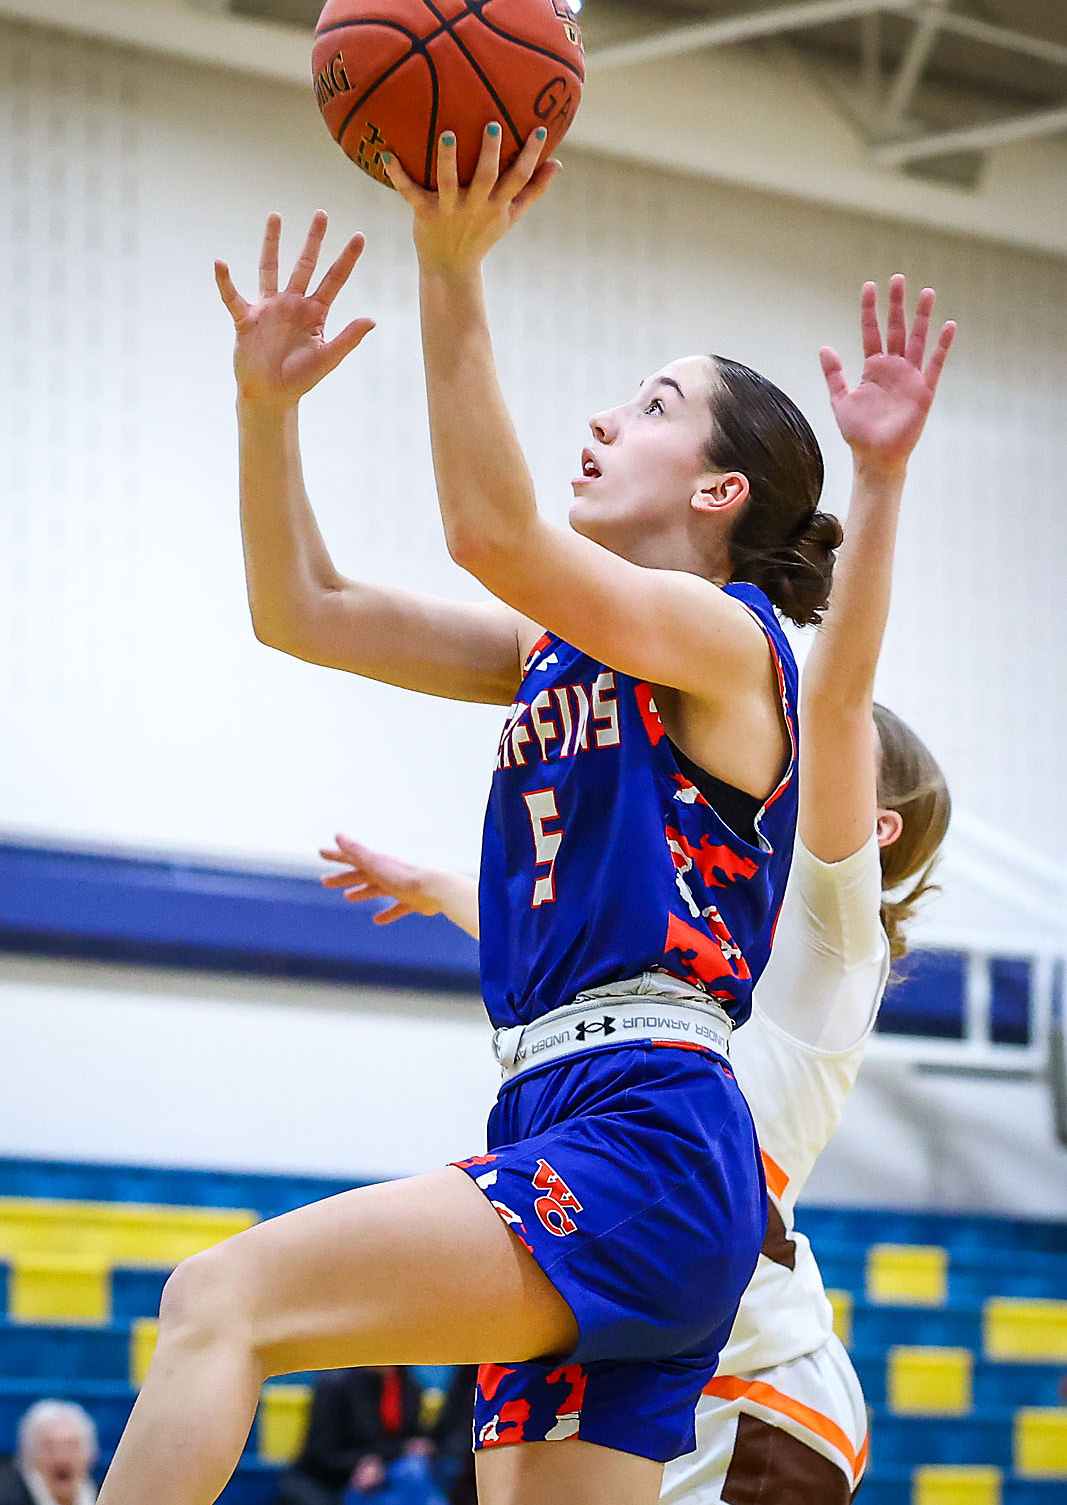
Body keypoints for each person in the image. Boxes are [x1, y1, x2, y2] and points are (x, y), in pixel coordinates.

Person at [100, 124, 878, 1505]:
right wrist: (265, 411)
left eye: (650, 405)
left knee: (218, 1300)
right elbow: (304, 611)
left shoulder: (726, 641)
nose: (605, 421)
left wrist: (448, 265)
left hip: (645, 1127)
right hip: (561, 1111)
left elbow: (490, 533)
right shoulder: (549, 648)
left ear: (718, 490)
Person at [320, 274, 954, 1503]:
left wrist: (877, 483)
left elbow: (831, 694)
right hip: (648, 1317)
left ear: (868, 825)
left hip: (756, 1389)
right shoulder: (708, 889)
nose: (794, 752)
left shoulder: (829, 936)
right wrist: (441, 882)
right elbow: (594, 920)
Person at [274, 1367, 443, 1505]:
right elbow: (322, 1454)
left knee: (415, 1471)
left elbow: (406, 1438)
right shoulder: (335, 1384)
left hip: (382, 1474)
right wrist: (363, 1463)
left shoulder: (407, 1385)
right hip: (328, 1481)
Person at [0, 1401, 98, 1505]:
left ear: (89, 1455)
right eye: (49, 1448)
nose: (61, 1458)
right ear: (29, 1457)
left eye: (71, 1447)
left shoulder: (105, 1495)